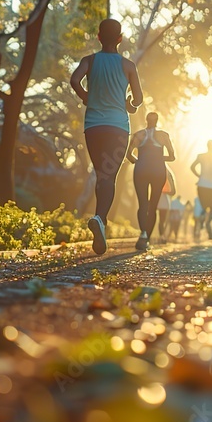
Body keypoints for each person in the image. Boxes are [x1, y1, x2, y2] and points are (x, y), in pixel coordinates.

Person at [70, 19, 144, 255]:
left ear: (99, 37)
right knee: (108, 176)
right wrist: (130, 104)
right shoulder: (128, 65)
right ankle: (101, 218)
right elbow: (139, 98)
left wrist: (86, 96)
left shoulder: (89, 61)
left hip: (93, 126)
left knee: (100, 172)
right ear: (120, 39)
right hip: (118, 128)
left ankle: (100, 219)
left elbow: (74, 80)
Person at [126, 112, 176, 250]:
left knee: (142, 204)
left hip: (141, 169)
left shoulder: (138, 135)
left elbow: (128, 154)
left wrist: (139, 161)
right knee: (153, 205)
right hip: (158, 171)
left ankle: (142, 234)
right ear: (157, 120)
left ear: (146, 120)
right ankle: (146, 238)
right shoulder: (163, 136)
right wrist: (159, 158)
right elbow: (172, 157)